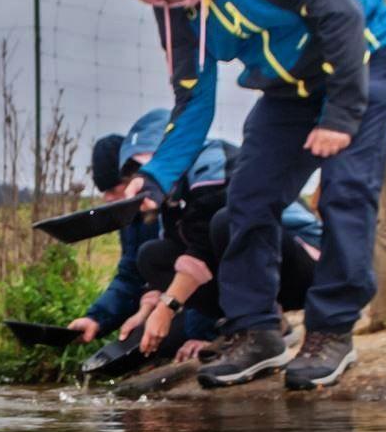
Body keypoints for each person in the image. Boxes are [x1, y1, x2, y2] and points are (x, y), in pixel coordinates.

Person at [98, 0, 386, 390]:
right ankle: (257, 331)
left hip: (364, 61)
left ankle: (331, 332)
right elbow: (193, 99)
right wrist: (155, 179)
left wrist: (342, 114)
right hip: (289, 87)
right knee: (247, 195)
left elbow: (342, 16)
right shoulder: (175, 5)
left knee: (346, 190)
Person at [126, 141, 323, 363]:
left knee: (226, 223)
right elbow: (186, 260)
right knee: (153, 255)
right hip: (257, 269)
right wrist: (144, 315)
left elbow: (202, 253)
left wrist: (167, 308)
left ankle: (266, 324)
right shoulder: (171, 199)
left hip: (302, 260)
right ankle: (244, 328)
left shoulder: (212, 164)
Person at [67, 110, 217, 359]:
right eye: (104, 192)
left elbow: (201, 259)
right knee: (128, 348)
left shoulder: (172, 202)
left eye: (115, 189)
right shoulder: (132, 218)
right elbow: (131, 274)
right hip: (168, 300)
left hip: (196, 300)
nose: (109, 199)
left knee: (153, 343)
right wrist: (97, 318)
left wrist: (195, 330)